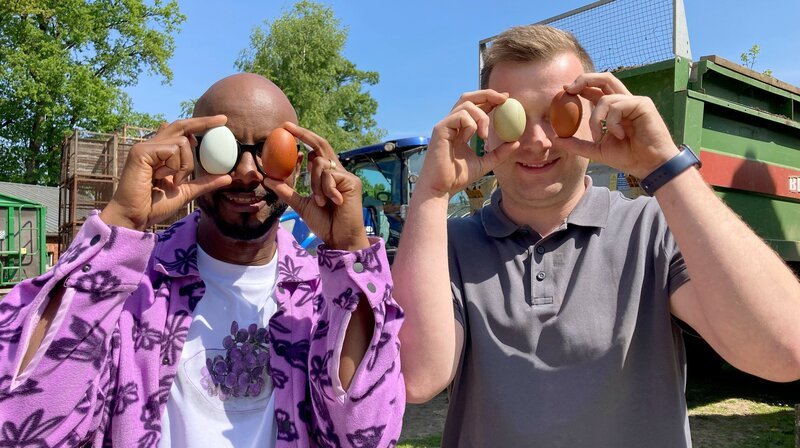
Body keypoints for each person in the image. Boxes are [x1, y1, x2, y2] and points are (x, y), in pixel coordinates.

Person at [392, 24, 800, 447]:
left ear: (595, 120)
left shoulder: (653, 228)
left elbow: (785, 349)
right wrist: (432, 193)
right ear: (487, 129)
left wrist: (664, 166)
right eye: (515, 118)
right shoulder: (449, 246)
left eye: (559, 115)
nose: (536, 141)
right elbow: (415, 378)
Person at [0, 73, 404, 447]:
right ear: (191, 155)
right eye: (224, 148)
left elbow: (366, 437)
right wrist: (121, 222)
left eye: (269, 152)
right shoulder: (130, 288)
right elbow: (19, 423)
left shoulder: (323, 298)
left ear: (297, 169)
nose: (247, 172)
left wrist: (351, 252)